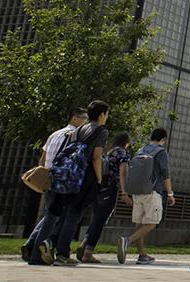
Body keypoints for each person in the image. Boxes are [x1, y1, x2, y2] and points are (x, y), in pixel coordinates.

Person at [42, 100, 111, 266]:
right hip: (86, 176)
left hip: (70, 175)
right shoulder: (102, 131)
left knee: (65, 213)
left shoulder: (80, 129)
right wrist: (99, 178)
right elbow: (96, 157)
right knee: (74, 215)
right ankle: (62, 254)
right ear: (102, 114)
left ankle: (50, 242)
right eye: (107, 114)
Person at [22, 107, 87, 264]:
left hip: (49, 176)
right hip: (61, 179)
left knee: (49, 214)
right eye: (83, 118)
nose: (85, 122)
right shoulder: (72, 135)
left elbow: (43, 158)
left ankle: (30, 244)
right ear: (74, 118)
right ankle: (36, 255)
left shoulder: (54, 134)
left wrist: (43, 175)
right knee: (53, 217)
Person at [120, 127, 174, 265]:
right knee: (151, 223)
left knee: (139, 224)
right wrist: (170, 193)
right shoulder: (161, 152)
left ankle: (142, 255)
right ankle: (127, 241)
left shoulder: (140, 150)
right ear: (163, 139)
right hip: (152, 191)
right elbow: (165, 174)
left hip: (137, 191)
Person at [77, 132, 129, 264]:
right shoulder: (122, 153)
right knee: (100, 221)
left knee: (96, 219)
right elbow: (122, 172)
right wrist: (124, 192)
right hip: (111, 189)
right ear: (126, 143)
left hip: (99, 188)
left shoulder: (109, 152)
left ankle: (83, 245)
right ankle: (88, 253)